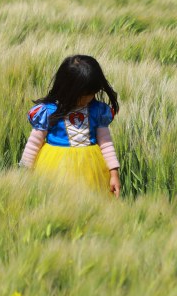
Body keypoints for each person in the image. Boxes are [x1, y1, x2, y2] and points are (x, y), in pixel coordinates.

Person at [18, 54, 121, 198]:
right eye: (81, 95)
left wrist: (114, 173)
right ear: (66, 88)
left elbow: (106, 144)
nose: (86, 99)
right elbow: (34, 143)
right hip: (54, 167)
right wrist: (24, 172)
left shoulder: (97, 110)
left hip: (90, 168)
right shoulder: (49, 111)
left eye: (90, 94)